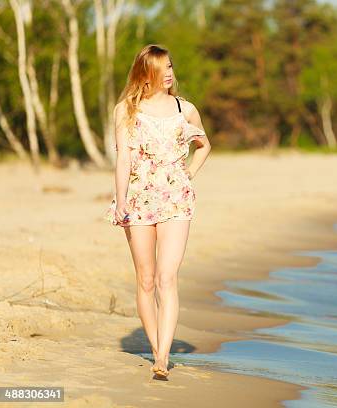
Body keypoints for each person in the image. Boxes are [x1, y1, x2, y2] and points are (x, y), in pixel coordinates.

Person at [103, 44, 211, 380]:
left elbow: (204, 146)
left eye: (171, 66)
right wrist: (120, 201)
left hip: (176, 200)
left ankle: (162, 357)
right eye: (161, 68)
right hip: (137, 199)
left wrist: (187, 176)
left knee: (168, 277)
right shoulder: (127, 110)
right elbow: (123, 159)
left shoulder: (185, 108)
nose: (169, 73)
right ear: (144, 72)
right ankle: (156, 346)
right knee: (146, 279)